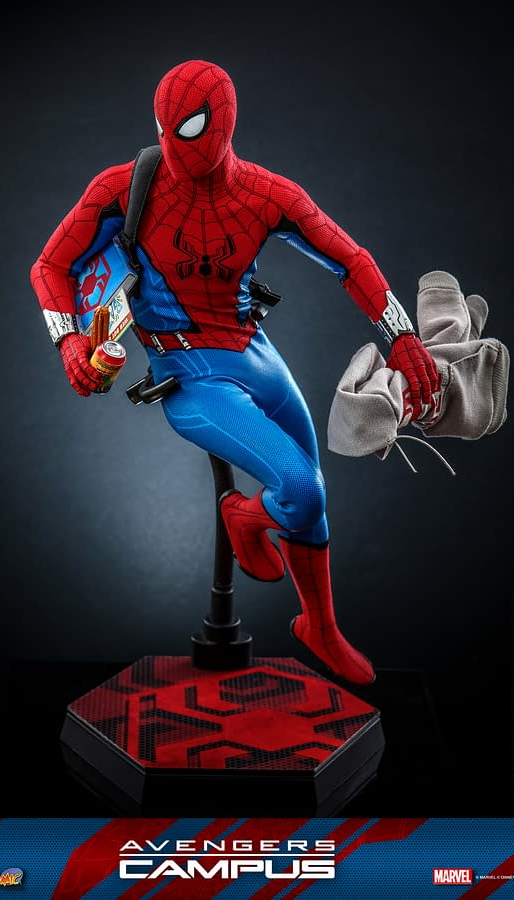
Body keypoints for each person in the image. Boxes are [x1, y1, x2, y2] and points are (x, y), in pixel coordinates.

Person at [31, 60, 440, 686]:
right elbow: (50, 266)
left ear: (224, 122)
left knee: (310, 496)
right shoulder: (123, 188)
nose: (174, 147)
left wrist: (402, 333)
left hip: (255, 351)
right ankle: (244, 518)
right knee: (301, 488)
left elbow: (350, 259)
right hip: (188, 369)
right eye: (164, 129)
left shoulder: (269, 195)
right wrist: (67, 342)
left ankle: (319, 626)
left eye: (191, 128)